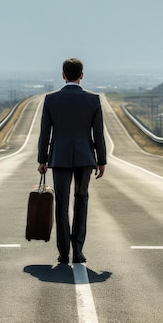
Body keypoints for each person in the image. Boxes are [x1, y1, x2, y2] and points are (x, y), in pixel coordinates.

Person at [37, 58, 107, 264]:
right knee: (81, 201)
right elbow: (98, 134)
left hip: (59, 158)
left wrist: (42, 159)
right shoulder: (93, 100)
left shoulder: (51, 100)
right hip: (85, 157)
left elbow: (44, 134)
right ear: (82, 75)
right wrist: (101, 160)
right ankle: (78, 250)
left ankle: (63, 253)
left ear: (63, 75)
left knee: (61, 204)